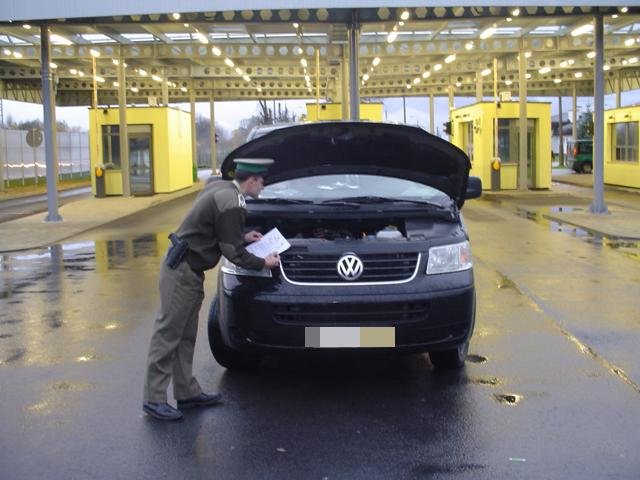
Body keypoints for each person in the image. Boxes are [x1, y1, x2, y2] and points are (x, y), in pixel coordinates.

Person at [142, 158, 281, 421]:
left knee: (185, 335)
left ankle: (186, 393)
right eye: (262, 181)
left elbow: (215, 230)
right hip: (181, 271)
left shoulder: (220, 188)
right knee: (168, 333)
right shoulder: (234, 203)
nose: (263, 186)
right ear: (251, 181)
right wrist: (265, 262)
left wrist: (243, 236)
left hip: (188, 271)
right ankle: (154, 398)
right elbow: (233, 253)